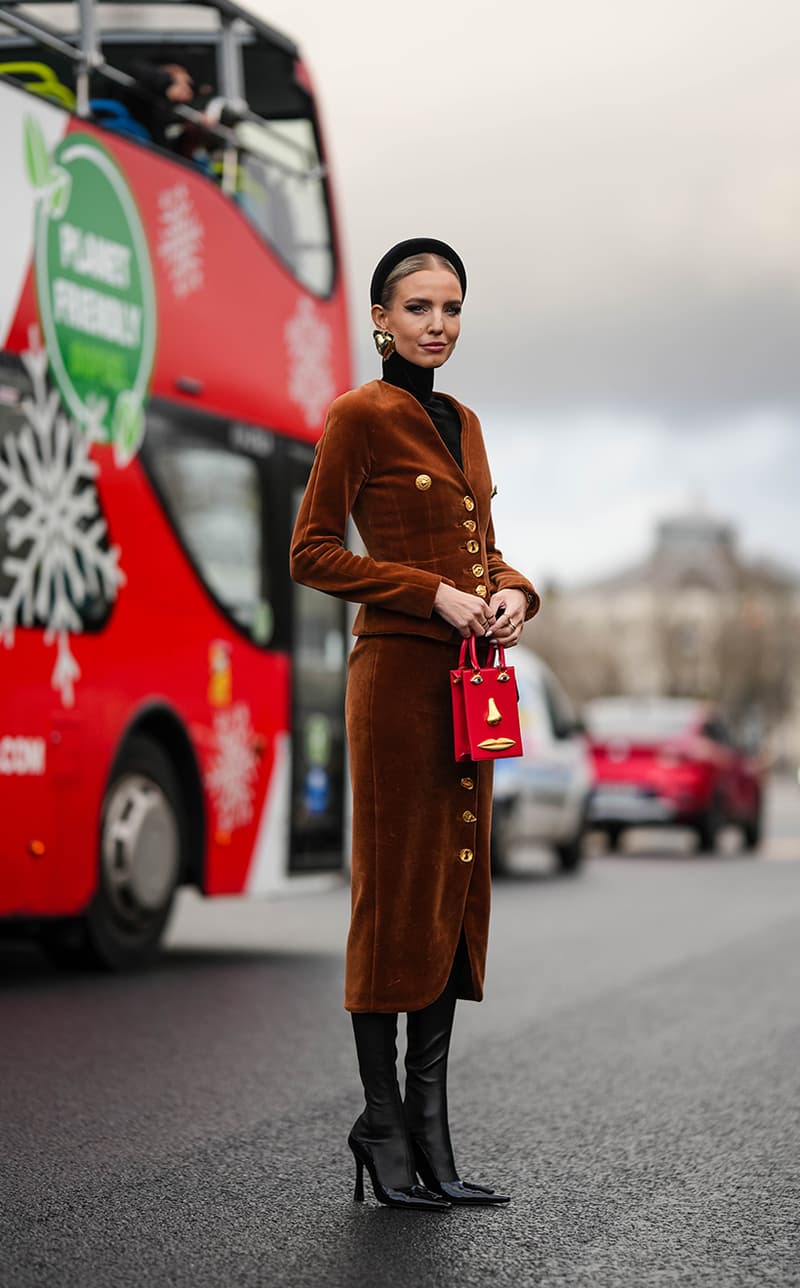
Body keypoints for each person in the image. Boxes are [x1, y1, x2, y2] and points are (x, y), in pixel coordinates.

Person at [290, 237, 540, 1211]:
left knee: (451, 885)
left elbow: (485, 548)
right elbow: (312, 550)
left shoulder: (464, 421)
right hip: (395, 681)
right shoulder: (359, 414)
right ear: (380, 319)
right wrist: (424, 593)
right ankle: (382, 1124)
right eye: (419, 306)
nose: (438, 323)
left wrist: (514, 593)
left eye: (451, 307)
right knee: (394, 891)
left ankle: (433, 1136)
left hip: (468, 684)